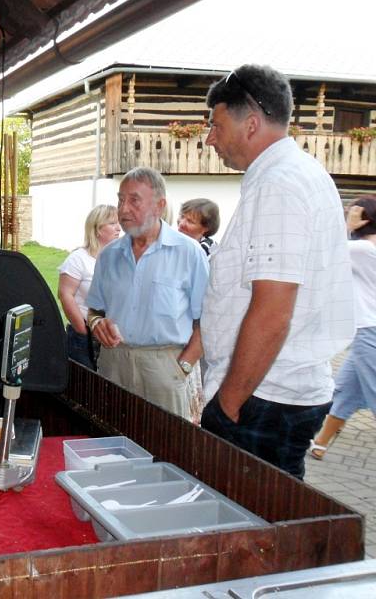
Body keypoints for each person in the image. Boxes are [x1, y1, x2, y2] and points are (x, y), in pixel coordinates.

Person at [199, 64, 354, 479]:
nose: (210, 138)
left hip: (264, 398)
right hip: (271, 393)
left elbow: (273, 311)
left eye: (215, 125)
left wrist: (227, 404)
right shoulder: (289, 175)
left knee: (254, 529)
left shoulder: (279, 184)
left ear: (250, 123)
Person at [86, 167, 209, 419]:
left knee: (167, 448)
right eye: (120, 200)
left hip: (165, 367)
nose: (123, 209)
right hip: (114, 365)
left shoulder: (189, 252)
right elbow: (94, 310)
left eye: (134, 200)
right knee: (112, 444)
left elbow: (208, 320)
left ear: (159, 205)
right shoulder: (109, 255)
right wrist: (97, 323)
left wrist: (182, 367)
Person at [310, 197, 376, 459]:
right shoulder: (366, 249)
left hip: (368, 331)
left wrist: (348, 226)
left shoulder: (361, 249)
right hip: (367, 330)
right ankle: (321, 443)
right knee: (345, 389)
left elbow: (325, 250)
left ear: (364, 219)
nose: (348, 215)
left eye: (351, 212)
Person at [57, 205, 121, 369]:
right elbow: (65, 295)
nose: (118, 228)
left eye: (118, 223)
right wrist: (82, 330)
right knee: (85, 387)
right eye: (112, 223)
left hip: (111, 337)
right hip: (84, 337)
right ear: (98, 229)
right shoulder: (78, 259)